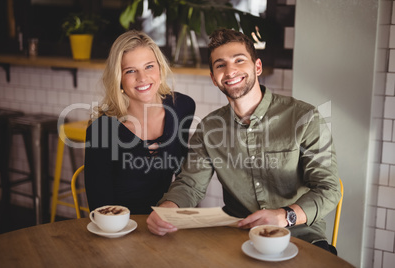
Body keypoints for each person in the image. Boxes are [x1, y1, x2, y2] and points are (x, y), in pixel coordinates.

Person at [147, 28, 341, 253]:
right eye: (220, 65)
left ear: (257, 67)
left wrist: (283, 216)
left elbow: (328, 189)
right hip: (237, 237)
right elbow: (190, 185)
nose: (230, 71)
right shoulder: (209, 129)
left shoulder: (305, 118)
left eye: (239, 60)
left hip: (300, 236)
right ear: (213, 78)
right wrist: (168, 210)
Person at [84, 30, 195, 215]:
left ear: (160, 68)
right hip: (121, 230)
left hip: (167, 224)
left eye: (149, 66)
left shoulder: (182, 107)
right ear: (118, 79)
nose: (142, 78)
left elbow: (184, 173)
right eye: (130, 71)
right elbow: (100, 208)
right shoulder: (101, 131)